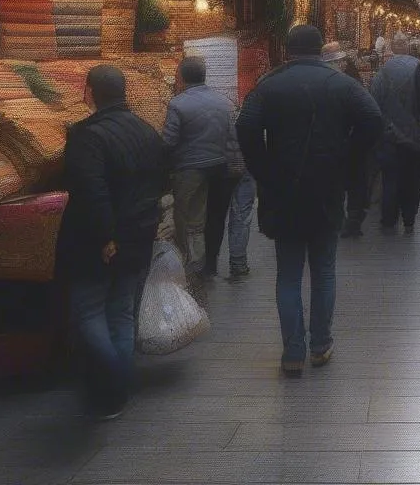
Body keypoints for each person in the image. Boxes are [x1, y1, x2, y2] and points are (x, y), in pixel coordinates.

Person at [236, 26, 382, 377]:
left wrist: (264, 170)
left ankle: (292, 352)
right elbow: (373, 120)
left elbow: (245, 127)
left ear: (287, 50)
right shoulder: (343, 85)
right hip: (327, 191)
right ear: (320, 50)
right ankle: (320, 345)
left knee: (287, 274)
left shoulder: (269, 86)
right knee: (324, 270)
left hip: (283, 192)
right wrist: (346, 158)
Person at [55, 65, 165, 418]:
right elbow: (160, 181)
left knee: (88, 311)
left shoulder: (87, 136)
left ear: (89, 93)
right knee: (120, 311)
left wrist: (105, 236)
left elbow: (91, 192)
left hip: (101, 239)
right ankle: (120, 388)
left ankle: (112, 383)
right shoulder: (146, 130)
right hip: (140, 233)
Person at [163, 56, 243, 292]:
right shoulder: (224, 102)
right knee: (216, 216)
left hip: (189, 169)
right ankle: (209, 265)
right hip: (220, 167)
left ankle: (187, 261)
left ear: (181, 77)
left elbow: (169, 141)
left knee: (185, 215)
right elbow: (232, 136)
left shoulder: (177, 104)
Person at [370, 32, 420, 233]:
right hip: (414, 135)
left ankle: (389, 219)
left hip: (388, 135)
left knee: (390, 178)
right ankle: (409, 218)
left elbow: (373, 101)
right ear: (406, 47)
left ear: (392, 48)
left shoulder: (383, 70)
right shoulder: (418, 67)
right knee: (413, 179)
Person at [322, 42, 372, 238]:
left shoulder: (323, 83)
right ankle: (352, 219)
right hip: (353, 140)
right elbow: (369, 114)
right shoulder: (353, 84)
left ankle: (345, 219)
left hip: (334, 141)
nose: (342, 64)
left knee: (339, 181)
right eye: (339, 60)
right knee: (355, 181)